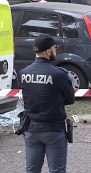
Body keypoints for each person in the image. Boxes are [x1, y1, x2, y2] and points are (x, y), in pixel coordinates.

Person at [19, 34, 75, 173]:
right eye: (55, 48)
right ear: (48, 51)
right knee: (57, 170)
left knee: (32, 170)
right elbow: (70, 99)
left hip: (31, 129)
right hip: (53, 130)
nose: (56, 51)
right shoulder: (59, 74)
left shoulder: (24, 72)